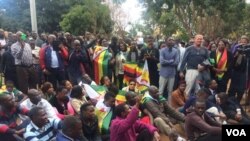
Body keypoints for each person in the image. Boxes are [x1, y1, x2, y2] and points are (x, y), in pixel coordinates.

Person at [159, 37, 179, 102]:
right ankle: (160, 105)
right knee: (160, 91)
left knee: (170, 91)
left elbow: (176, 62)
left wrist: (166, 61)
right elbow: (162, 62)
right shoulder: (162, 50)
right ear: (166, 42)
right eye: (169, 40)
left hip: (172, 74)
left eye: (173, 40)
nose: (171, 41)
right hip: (163, 74)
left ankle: (169, 106)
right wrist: (171, 61)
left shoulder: (175, 51)